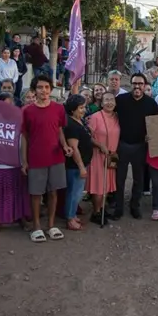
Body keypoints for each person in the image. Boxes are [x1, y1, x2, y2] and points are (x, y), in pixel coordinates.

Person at [21, 75, 72, 242]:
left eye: (47, 87)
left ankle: (51, 225)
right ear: (34, 90)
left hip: (56, 158)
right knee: (35, 194)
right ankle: (36, 227)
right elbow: (24, 137)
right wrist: (24, 160)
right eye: (40, 87)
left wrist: (64, 146)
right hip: (36, 158)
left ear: (51, 89)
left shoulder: (58, 108)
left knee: (53, 192)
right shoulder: (27, 111)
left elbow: (59, 130)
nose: (44, 90)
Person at [115, 73, 158, 220]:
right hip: (122, 145)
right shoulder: (120, 101)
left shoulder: (151, 103)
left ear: (145, 85)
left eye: (140, 84)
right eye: (134, 83)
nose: (137, 86)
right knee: (119, 179)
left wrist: (151, 136)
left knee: (138, 179)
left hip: (140, 146)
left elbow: (156, 124)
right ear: (131, 84)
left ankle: (135, 206)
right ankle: (118, 207)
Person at [0, 92, 31, 233]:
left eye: (10, 104)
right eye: (4, 104)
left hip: (16, 164)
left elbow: (23, 141)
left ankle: (20, 218)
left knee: (19, 193)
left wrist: (24, 161)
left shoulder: (19, 120)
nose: (7, 107)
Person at [87, 91, 119, 224]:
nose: (109, 102)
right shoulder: (95, 117)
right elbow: (88, 136)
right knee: (98, 186)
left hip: (111, 156)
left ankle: (102, 209)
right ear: (101, 102)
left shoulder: (117, 117)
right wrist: (100, 145)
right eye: (106, 100)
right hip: (98, 155)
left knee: (106, 185)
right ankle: (96, 212)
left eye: (112, 99)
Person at [63, 94, 93, 231]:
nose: (84, 110)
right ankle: (70, 218)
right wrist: (81, 167)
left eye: (84, 107)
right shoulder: (72, 125)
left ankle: (72, 214)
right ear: (72, 109)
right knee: (74, 193)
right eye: (81, 108)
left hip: (79, 164)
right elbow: (74, 148)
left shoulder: (78, 121)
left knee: (76, 192)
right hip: (74, 166)